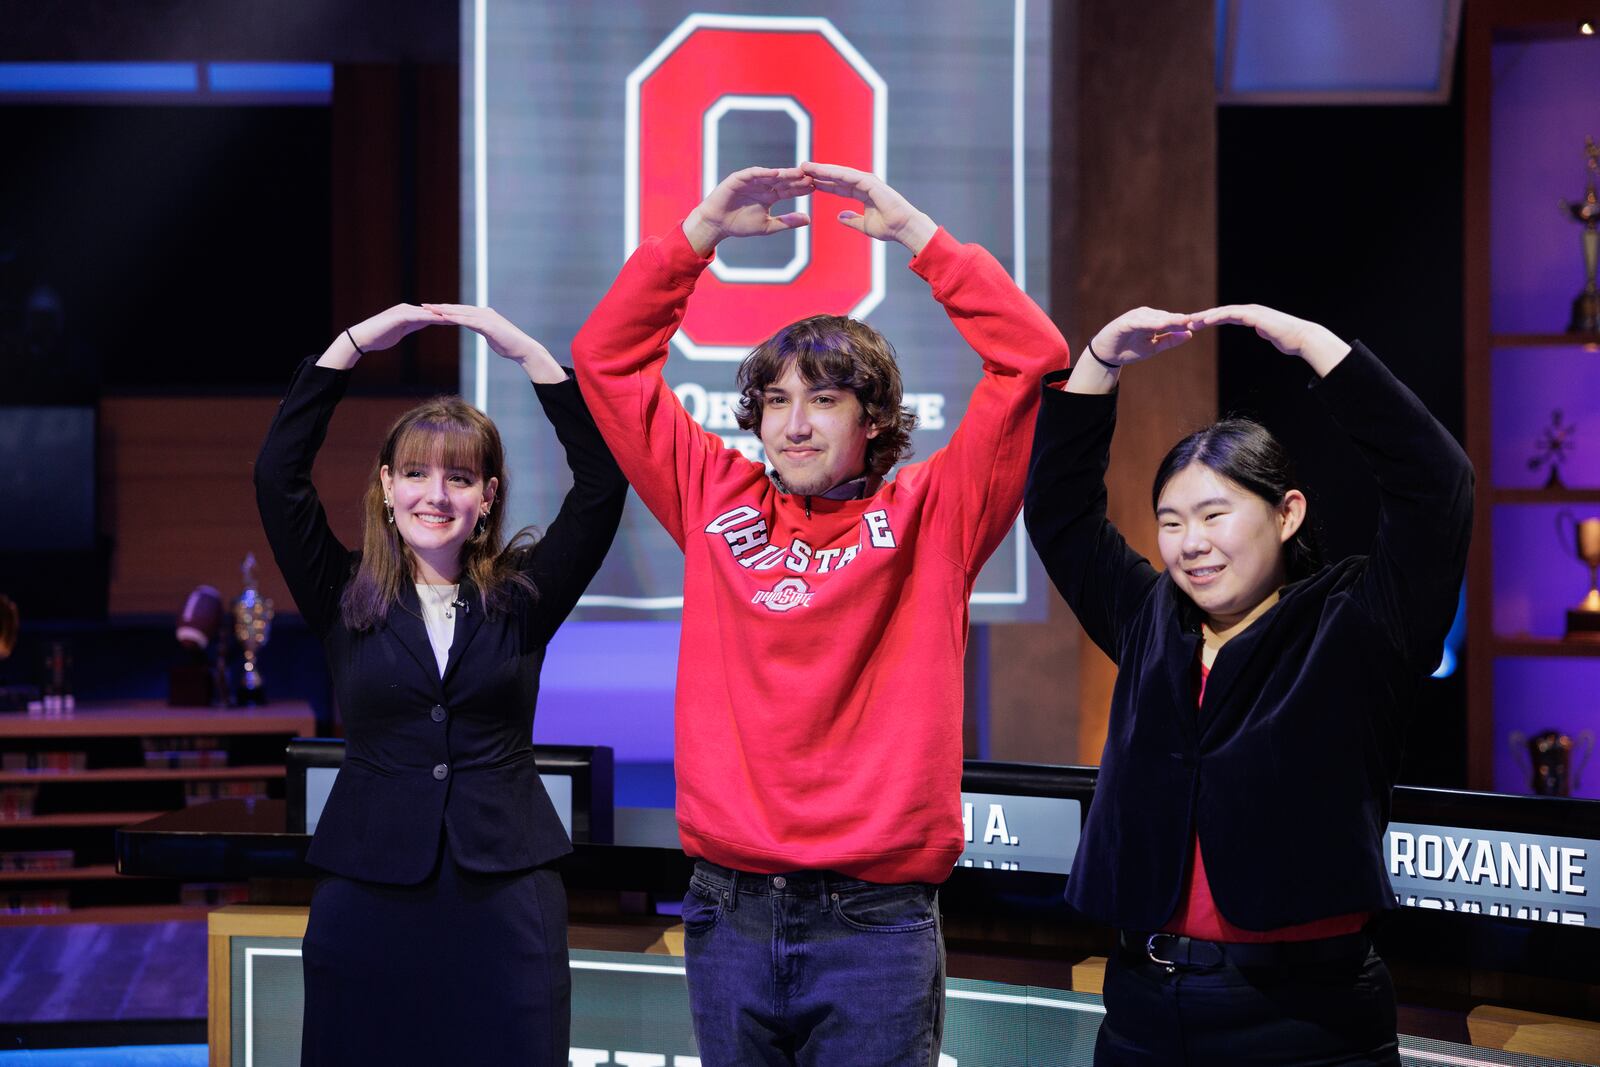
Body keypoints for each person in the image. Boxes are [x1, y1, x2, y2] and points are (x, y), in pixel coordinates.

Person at [573, 162, 1070, 1066]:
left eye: (825, 400)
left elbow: (1032, 355)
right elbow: (605, 357)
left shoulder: (936, 513)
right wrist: (699, 235)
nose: (794, 425)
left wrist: (922, 236)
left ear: (875, 418)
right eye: (775, 401)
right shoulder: (712, 498)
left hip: (874, 924)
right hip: (728, 907)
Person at [1023, 304, 1473, 1065]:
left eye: (1214, 513)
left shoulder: (1360, 621)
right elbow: (1061, 513)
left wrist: (1316, 347)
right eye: (1170, 521)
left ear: (1287, 512)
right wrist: (1100, 360)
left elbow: (1437, 486)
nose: (1190, 543)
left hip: (1308, 1021)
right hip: (1143, 1005)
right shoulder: (1149, 617)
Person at [254, 302, 627, 1067]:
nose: (436, 494)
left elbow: (601, 486)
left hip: (506, 896)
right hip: (368, 889)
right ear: (387, 487)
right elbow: (277, 476)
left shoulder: (521, 598)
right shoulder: (343, 593)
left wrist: (527, 351)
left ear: (487, 496)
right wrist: (351, 346)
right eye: (417, 473)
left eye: (460, 477)